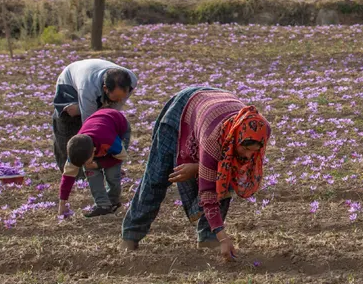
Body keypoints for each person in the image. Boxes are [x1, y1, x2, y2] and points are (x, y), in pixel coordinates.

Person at [120, 87, 271, 262]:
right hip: (183, 111)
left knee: (227, 174)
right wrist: (224, 237)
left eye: (254, 151)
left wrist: (196, 168)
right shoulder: (213, 138)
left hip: (211, 107)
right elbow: (208, 193)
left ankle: (208, 238)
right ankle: (130, 235)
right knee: (158, 176)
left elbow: (226, 168)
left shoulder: (261, 129)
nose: (248, 156)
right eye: (245, 148)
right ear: (235, 139)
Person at [51, 59, 137, 174]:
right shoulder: (88, 88)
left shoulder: (131, 81)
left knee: (105, 126)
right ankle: (74, 171)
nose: (120, 100)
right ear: (106, 89)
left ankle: (104, 166)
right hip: (69, 84)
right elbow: (90, 126)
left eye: (122, 96)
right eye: (116, 97)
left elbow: (112, 113)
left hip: (91, 79)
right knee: (71, 116)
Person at [57, 108, 131, 218]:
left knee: (112, 173)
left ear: (93, 151)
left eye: (87, 161)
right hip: (96, 130)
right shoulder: (76, 149)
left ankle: (114, 202)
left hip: (118, 127)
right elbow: (68, 175)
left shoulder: (110, 142)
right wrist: (62, 202)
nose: (85, 164)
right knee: (90, 171)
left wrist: (99, 164)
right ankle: (103, 205)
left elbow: (120, 157)